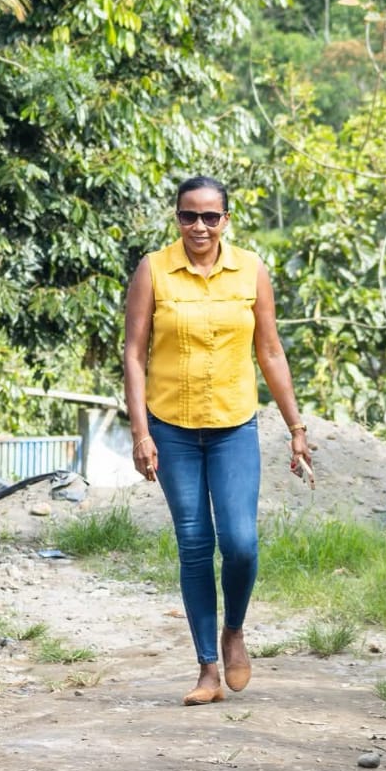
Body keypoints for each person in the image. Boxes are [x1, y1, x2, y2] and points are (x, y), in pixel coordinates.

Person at [123, 175, 312, 706]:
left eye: (210, 216)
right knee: (194, 544)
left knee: (241, 543)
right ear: (177, 218)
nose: (199, 226)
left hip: (233, 424)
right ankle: (208, 667)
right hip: (171, 427)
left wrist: (296, 429)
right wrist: (140, 432)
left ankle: (234, 630)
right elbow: (134, 354)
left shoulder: (251, 270)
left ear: (226, 220)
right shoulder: (153, 270)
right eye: (189, 216)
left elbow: (269, 351)